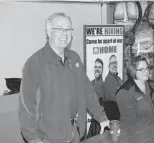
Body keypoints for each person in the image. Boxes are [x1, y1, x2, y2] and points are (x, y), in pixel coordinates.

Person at [19, 12, 109, 143]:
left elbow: (87, 92)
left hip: (75, 133)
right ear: (49, 32)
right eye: (59, 29)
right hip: (48, 138)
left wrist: (102, 117)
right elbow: (26, 108)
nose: (65, 34)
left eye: (68, 29)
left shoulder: (74, 59)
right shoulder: (34, 63)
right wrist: (35, 140)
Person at [116, 56, 154, 126]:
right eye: (142, 69)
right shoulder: (124, 93)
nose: (146, 71)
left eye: (147, 68)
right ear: (133, 71)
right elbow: (130, 124)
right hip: (134, 132)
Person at [102, 55, 122, 120]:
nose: (114, 65)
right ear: (108, 66)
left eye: (115, 63)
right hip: (113, 115)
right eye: (112, 63)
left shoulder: (118, 79)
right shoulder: (108, 79)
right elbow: (115, 97)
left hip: (119, 111)